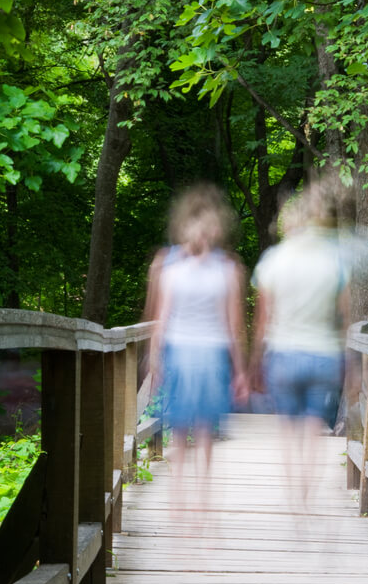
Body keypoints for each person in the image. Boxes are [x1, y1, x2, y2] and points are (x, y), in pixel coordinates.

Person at [149, 183, 248, 517]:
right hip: (179, 350)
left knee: (205, 427)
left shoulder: (226, 269)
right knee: (179, 425)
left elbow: (234, 324)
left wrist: (240, 371)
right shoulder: (169, 266)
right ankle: (179, 493)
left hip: (211, 353)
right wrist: (155, 358)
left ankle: (201, 495)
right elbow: (160, 317)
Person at [250, 184, 350, 509]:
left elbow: (263, 319)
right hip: (323, 355)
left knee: (289, 425)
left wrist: (254, 363)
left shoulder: (273, 260)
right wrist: (352, 362)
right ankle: (307, 486)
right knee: (311, 424)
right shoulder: (335, 260)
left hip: (283, 354)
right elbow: (343, 317)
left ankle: (294, 487)